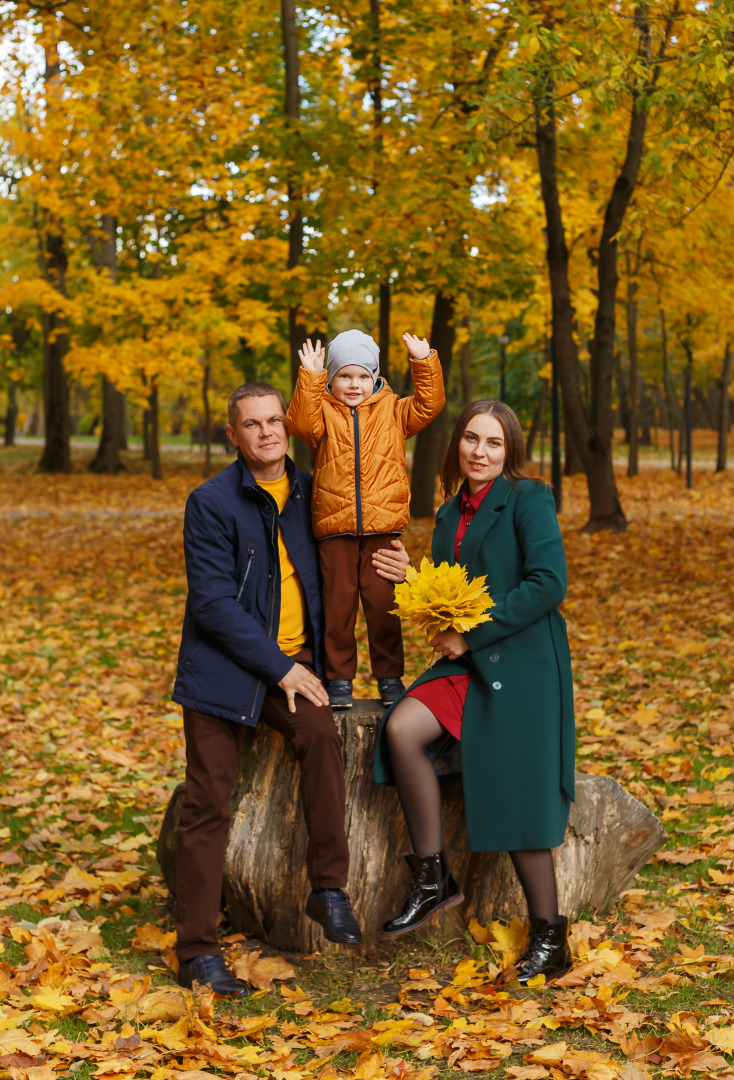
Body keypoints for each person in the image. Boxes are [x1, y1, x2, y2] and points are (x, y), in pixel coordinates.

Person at [170, 381, 410, 997]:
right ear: (233, 435)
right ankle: (197, 951)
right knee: (207, 805)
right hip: (225, 670)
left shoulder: (313, 492)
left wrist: (393, 559)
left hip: (295, 665)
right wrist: (281, 668)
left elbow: (356, 537)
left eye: (275, 420)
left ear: (289, 425)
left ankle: (329, 889)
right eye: (252, 424)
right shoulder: (211, 501)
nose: (267, 432)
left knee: (324, 738)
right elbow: (214, 604)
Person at [374, 400, 575, 986]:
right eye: (470, 440)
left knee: (516, 786)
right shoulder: (445, 513)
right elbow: (451, 589)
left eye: (492, 442)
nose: (479, 452)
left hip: (522, 661)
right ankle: (433, 875)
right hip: (468, 663)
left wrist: (470, 632)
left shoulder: (528, 499)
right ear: (456, 446)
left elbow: (549, 582)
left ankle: (550, 937)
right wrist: (412, 579)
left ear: (508, 449)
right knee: (401, 729)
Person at [286, 329, 445, 710]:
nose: (354, 384)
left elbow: (429, 405)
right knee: (337, 606)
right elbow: (300, 425)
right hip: (335, 528)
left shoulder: (393, 410)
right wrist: (310, 378)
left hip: (382, 527)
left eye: (362, 375)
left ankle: (390, 677)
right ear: (332, 377)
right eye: (343, 375)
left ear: (375, 376)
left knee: (382, 608)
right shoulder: (323, 410)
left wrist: (425, 363)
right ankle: (339, 678)